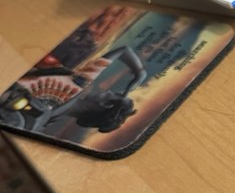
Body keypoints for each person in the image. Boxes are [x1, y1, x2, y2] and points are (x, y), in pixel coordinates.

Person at [0, 46, 147, 134]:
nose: (106, 91)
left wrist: (140, 73)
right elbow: (124, 50)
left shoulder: (76, 85)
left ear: (105, 104)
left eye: (111, 94)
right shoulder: (43, 124)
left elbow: (123, 51)